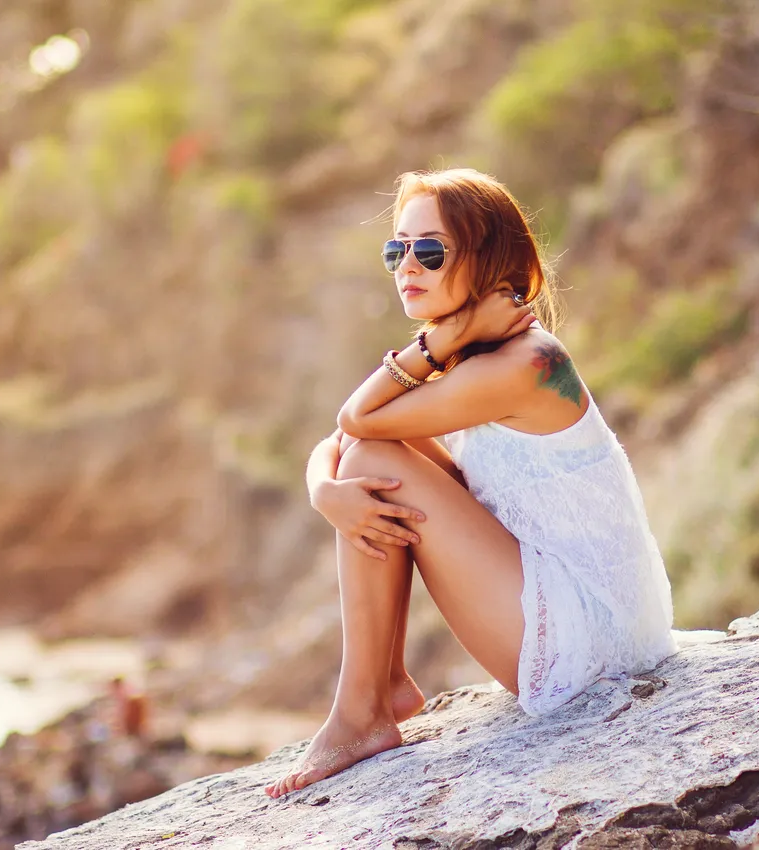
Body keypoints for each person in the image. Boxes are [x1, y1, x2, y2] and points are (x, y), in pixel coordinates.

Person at [264, 167, 675, 798]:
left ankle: (363, 709)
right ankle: (382, 685)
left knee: (374, 457)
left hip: (589, 637)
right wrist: (326, 492)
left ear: (490, 262)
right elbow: (345, 439)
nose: (408, 266)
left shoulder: (527, 364)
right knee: (370, 459)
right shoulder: (478, 363)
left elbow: (359, 423)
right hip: (572, 605)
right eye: (395, 250)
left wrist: (431, 346)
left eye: (429, 251)